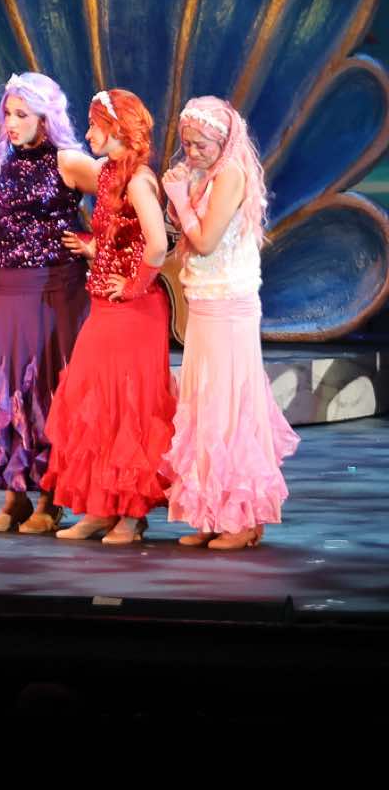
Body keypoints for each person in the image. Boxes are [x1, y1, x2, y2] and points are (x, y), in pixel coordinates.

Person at [0, 72, 97, 532]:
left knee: (47, 386)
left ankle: (51, 500)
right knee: (7, 387)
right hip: (6, 287)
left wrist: (97, 243)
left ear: (45, 118)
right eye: (8, 114)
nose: (11, 123)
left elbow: (125, 194)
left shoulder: (69, 161)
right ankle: (15, 497)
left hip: (54, 289)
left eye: (21, 115)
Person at [161, 97, 296, 549]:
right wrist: (182, 196)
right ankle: (213, 512)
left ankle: (241, 519)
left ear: (223, 142)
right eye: (187, 144)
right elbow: (185, 234)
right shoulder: (204, 175)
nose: (192, 152)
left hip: (228, 305)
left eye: (201, 145)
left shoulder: (231, 174)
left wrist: (179, 199)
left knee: (227, 407)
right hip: (204, 302)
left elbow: (204, 240)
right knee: (204, 406)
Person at [41, 89, 173, 544]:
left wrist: (133, 285)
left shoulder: (137, 180)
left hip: (134, 311)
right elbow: (126, 239)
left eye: (95, 125)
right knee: (95, 403)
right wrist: (95, 249)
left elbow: (157, 244)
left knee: (129, 407)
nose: (88, 133)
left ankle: (131, 514)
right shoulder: (111, 174)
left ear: (117, 128)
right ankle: (101, 507)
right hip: (105, 306)